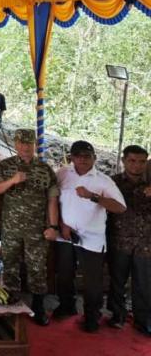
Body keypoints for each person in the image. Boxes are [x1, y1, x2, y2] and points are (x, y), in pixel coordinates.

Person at [53, 140, 126, 333]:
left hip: (92, 238)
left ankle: (92, 315)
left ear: (94, 158)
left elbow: (120, 207)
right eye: (78, 156)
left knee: (92, 281)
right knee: (64, 274)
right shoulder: (62, 174)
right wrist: (61, 224)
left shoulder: (103, 180)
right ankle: (66, 306)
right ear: (71, 157)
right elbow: (53, 199)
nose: (82, 159)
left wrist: (93, 196)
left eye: (87, 156)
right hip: (65, 234)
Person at [0, 129, 60, 326]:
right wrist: (13, 180)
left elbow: (52, 200)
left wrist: (53, 226)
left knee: (37, 267)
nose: (25, 147)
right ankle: (10, 304)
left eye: (29, 143)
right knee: (10, 265)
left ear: (34, 145)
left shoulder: (45, 170)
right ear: (15, 144)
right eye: (21, 143)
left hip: (37, 229)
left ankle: (38, 306)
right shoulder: (5, 166)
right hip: (11, 227)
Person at [107, 145, 151, 336]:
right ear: (124, 161)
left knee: (144, 283)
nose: (137, 165)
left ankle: (143, 319)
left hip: (146, 244)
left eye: (141, 161)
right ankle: (117, 315)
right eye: (132, 161)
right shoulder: (112, 183)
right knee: (117, 281)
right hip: (119, 241)